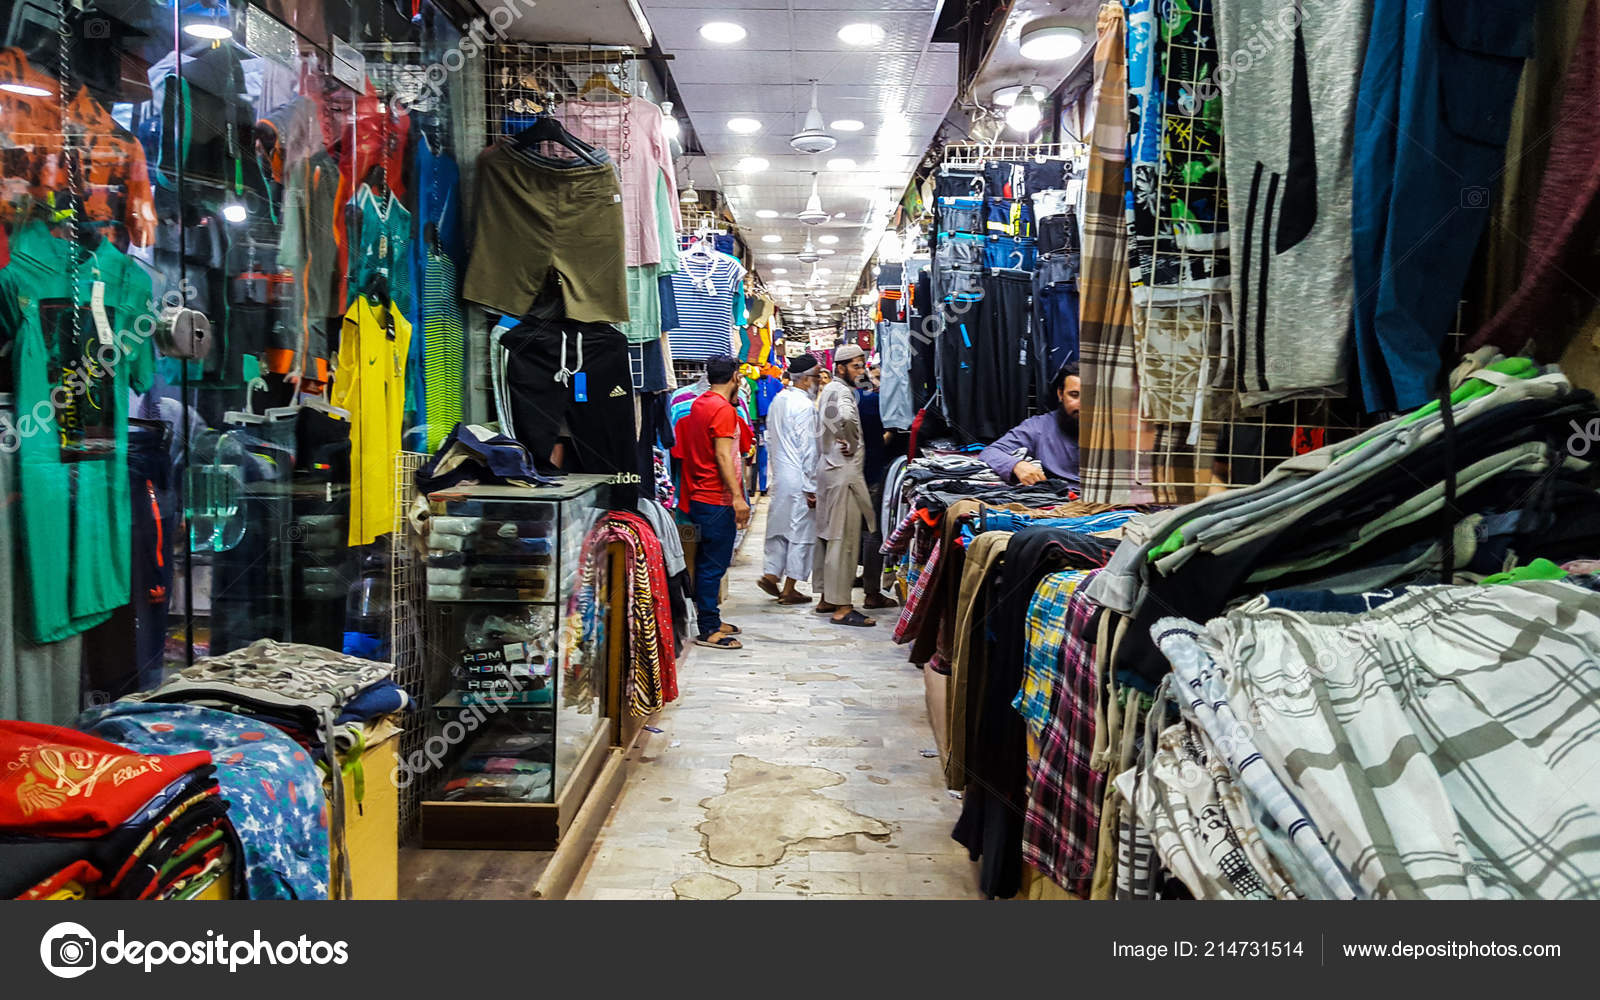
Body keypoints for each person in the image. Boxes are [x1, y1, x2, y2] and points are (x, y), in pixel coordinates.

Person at [676, 355, 752, 649]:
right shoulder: (722, 410)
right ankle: (708, 628)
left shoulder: (699, 404)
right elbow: (723, 456)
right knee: (712, 565)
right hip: (714, 497)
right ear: (734, 377)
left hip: (698, 495)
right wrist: (737, 497)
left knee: (708, 562)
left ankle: (711, 617)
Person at [814, 344, 878, 627]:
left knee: (828, 536)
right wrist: (851, 440)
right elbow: (847, 418)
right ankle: (843, 607)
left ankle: (827, 597)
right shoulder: (840, 391)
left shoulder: (829, 389)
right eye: (856, 366)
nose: (861, 371)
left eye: (862, 365)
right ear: (840, 368)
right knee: (845, 540)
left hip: (830, 471)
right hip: (844, 476)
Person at [759, 354, 821, 605]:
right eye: (816, 377)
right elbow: (809, 449)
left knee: (778, 527)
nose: (818, 382)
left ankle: (771, 573)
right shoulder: (805, 407)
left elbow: (771, 438)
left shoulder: (778, 400)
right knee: (800, 533)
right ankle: (790, 588)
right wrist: (812, 486)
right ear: (806, 380)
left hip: (781, 475)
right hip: (798, 477)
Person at [977, 362, 1081, 486]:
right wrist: (1017, 465)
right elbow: (991, 452)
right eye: (1074, 395)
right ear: (1060, 394)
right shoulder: (1039, 427)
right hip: (1060, 499)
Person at [856, 377, 897, 610]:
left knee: (856, 530)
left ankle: (845, 586)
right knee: (873, 532)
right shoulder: (876, 403)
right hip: (873, 474)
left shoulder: (847, 400)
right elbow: (883, 437)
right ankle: (872, 593)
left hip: (854, 472)